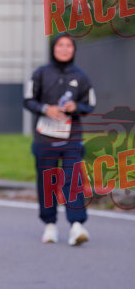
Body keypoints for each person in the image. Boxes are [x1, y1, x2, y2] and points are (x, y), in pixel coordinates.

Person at [24, 32, 96, 246]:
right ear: (53, 48)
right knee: (47, 180)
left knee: (73, 178)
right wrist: (46, 109)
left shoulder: (81, 76)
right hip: (45, 138)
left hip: (71, 137)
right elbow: (28, 100)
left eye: (68, 46)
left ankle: (76, 225)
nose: (64, 49)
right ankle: (50, 225)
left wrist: (76, 107)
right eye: (60, 45)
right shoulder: (40, 73)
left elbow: (90, 104)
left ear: (74, 49)